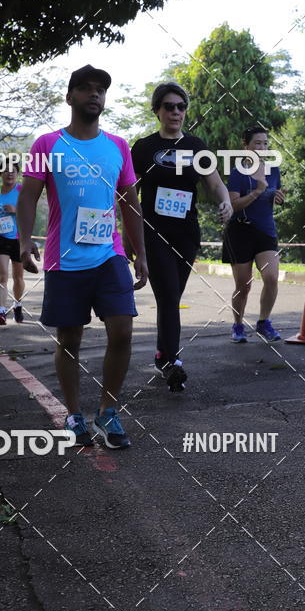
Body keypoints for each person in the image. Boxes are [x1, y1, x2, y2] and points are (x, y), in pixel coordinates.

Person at [17, 64, 148, 449]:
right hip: (65, 258)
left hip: (110, 254)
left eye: (101, 90)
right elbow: (28, 196)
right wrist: (24, 242)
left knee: (122, 330)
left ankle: (108, 411)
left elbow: (130, 202)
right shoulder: (47, 144)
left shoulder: (118, 146)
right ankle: (74, 414)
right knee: (69, 339)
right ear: (70, 96)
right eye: (87, 89)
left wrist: (139, 253)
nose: (95, 95)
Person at [130, 82, 233, 392]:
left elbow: (214, 184)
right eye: (169, 106)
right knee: (169, 296)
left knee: (170, 298)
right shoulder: (144, 147)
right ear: (158, 111)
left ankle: (163, 354)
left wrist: (225, 201)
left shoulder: (196, 146)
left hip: (187, 233)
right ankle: (172, 362)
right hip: (154, 232)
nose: (175, 111)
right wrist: (126, 235)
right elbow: (128, 191)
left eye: (181, 107)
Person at [222, 126, 285, 343]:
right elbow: (233, 205)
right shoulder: (238, 173)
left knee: (271, 277)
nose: (262, 147)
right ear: (246, 146)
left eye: (265, 143)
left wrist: (277, 196)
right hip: (240, 231)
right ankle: (238, 325)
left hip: (265, 231)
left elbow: (274, 195)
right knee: (243, 285)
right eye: (257, 143)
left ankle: (263, 322)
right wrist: (258, 191)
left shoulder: (273, 170)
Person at [0, 162, 24, 325]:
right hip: (0, 237)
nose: (10, 174)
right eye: (6, 171)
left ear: (17, 174)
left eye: (13, 171)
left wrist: (16, 210)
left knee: (18, 276)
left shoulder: (22, 190)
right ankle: (1, 311)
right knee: (2, 276)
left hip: (19, 238)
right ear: (0, 174)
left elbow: (30, 211)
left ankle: (18, 305)